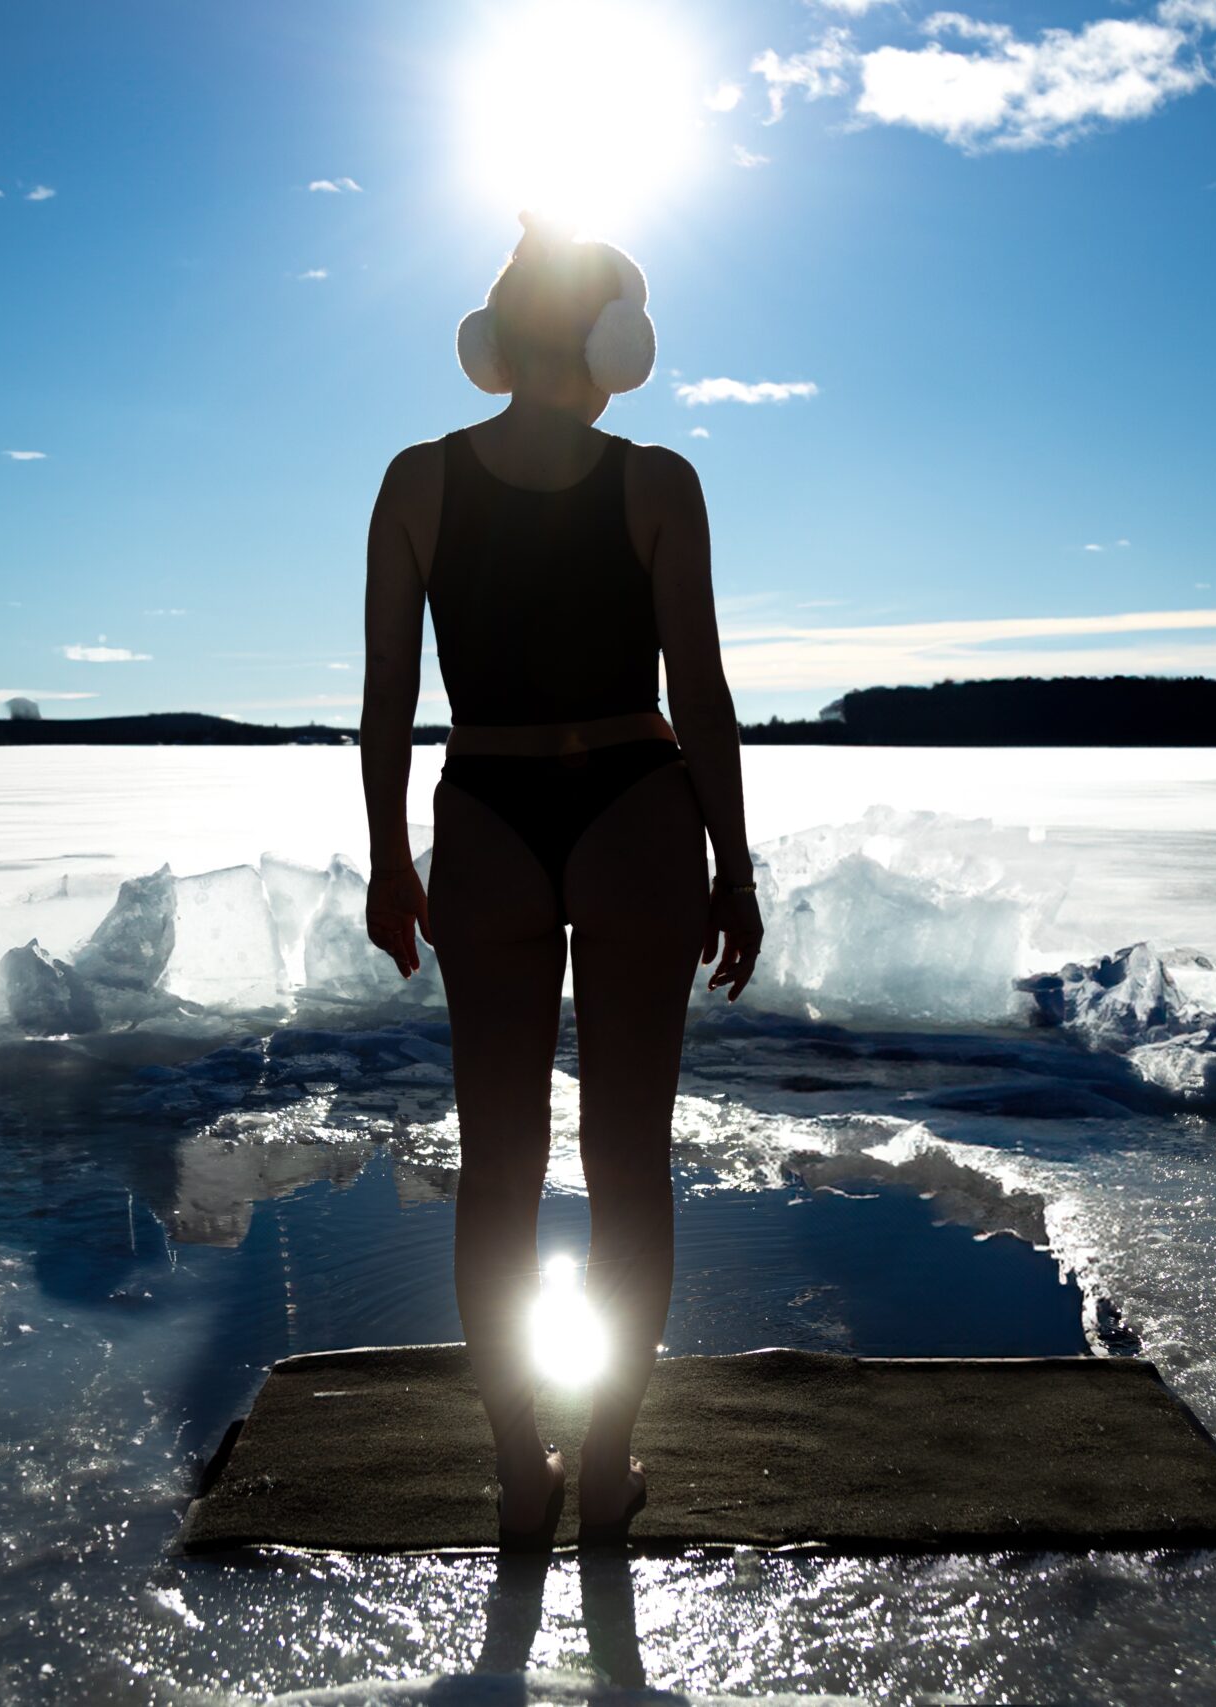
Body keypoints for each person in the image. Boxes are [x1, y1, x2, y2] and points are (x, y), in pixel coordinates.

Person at [357, 215, 765, 1549]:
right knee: (628, 1166)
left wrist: (388, 859)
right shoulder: (659, 483)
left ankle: (519, 1473)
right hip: (636, 810)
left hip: (485, 813)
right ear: (614, 348)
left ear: (494, 344)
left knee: (501, 1172)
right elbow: (697, 693)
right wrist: (735, 863)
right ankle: (603, 1467)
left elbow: (387, 705)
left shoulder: (416, 481)